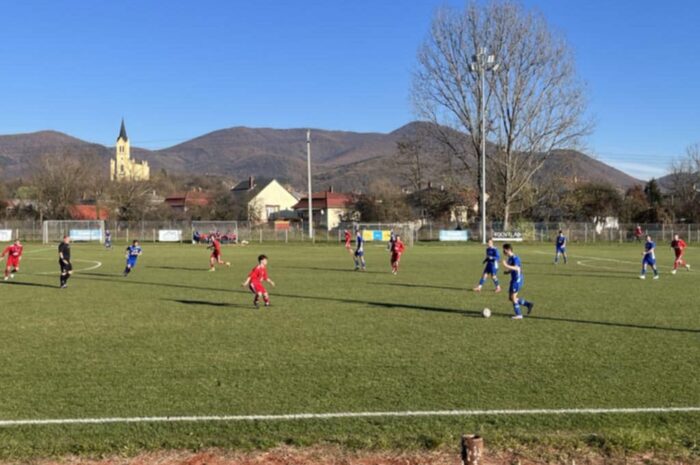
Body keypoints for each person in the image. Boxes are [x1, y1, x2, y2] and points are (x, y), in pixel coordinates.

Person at [502, 243, 533, 320]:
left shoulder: (515, 258)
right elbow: (513, 269)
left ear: (508, 250)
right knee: (510, 298)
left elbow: (517, 268)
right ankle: (528, 304)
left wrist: (506, 266)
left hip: (517, 280)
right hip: (513, 280)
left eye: (504, 250)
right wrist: (508, 272)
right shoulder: (509, 258)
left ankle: (519, 314)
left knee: (513, 297)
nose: (503, 251)